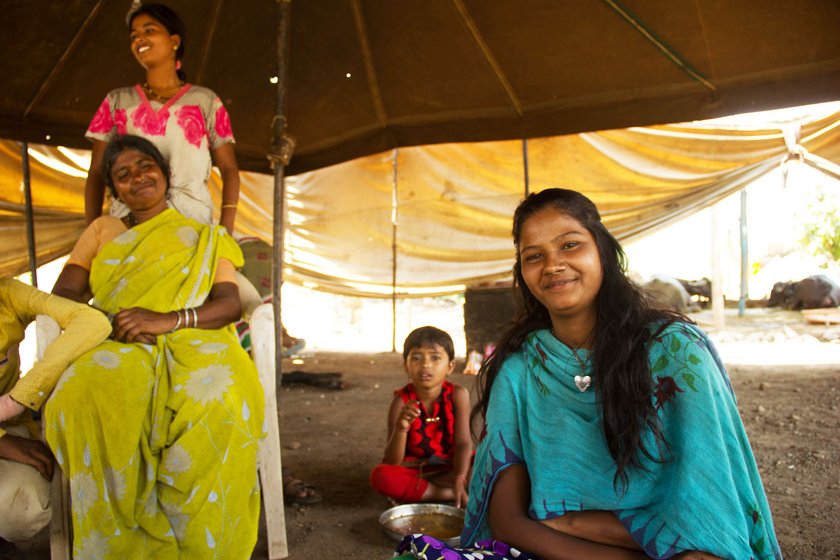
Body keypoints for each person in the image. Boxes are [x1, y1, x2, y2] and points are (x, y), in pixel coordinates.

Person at [395, 189, 781, 560]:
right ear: (523, 272)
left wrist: (569, 521)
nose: (552, 265)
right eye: (534, 256)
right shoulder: (521, 370)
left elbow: (710, 515)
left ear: (603, 250)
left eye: (570, 245)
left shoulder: (675, 353)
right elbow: (508, 521)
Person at [47, 135, 264, 558]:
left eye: (145, 166)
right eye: (123, 175)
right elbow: (64, 295)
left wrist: (167, 320)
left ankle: (205, 546)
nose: (137, 177)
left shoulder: (204, 235)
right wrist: (111, 322)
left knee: (219, 395)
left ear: (165, 174)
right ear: (115, 191)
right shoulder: (102, 231)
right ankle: (119, 544)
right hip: (120, 339)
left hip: (196, 338)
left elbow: (227, 304)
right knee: (79, 396)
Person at [84, 2, 241, 234]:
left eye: (149, 30)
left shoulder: (205, 101)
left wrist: (225, 230)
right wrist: (92, 232)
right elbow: (97, 172)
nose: (139, 39)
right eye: (134, 35)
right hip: (130, 226)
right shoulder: (117, 101)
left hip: (191, 225)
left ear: (174, 41)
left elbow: (229, 169)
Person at [0, 279, 110, 552]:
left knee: (22, 510)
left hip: (8, 423)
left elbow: (92, 322)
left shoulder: (8, 295)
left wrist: (16, 400)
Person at [370, 326, 472, 508]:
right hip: (418, 471)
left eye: (435, 357)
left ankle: (430, 492)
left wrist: (459, 477)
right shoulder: (401, 402)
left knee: (491, 464)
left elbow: (463, 443)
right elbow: (393, 461)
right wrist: (402, 428)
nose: (425, 364)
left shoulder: (458, 395)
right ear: (406, 366)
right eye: (416, 358)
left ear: (450, 366)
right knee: (382, 476)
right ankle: (446, 494)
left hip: (451, 467)